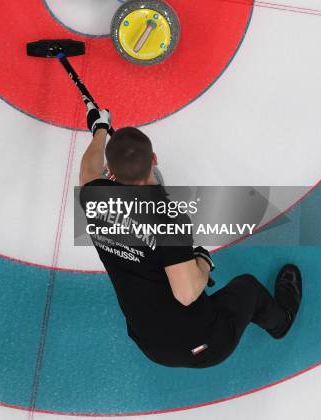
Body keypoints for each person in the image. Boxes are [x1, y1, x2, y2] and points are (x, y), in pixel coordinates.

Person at [79, 103, 302, 368]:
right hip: (202, 344)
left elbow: (87, 171)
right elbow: (187, 293)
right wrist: (202, 260)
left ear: (111, 174)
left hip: (149, 344)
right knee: (248, 288)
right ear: (154, 160)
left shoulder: (94, 198)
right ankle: (281, 323)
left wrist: (100, 129)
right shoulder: (168, 219)